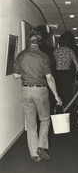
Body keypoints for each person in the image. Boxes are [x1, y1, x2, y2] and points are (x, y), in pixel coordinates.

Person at [13, 29, 62, 162]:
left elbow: (16, 76)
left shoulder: (20, 56)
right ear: (39, 41)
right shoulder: (44, 56)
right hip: (40, 91)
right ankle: (41, 146)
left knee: (31, 123)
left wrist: (27, 72)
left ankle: (34, 154)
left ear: (28, 40)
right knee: (45, 119)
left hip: (25, 90)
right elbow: (49, 78)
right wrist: (56, 96)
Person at [53, 33, 78, 112]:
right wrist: (77, 77)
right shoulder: (70, 51)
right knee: (68, 95)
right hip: (68, 75)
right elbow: (77, 65)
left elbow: (52, 63)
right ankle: (68, 112)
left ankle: (58, 112)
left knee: (58, 94)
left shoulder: (56, 51)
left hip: (58, 75)